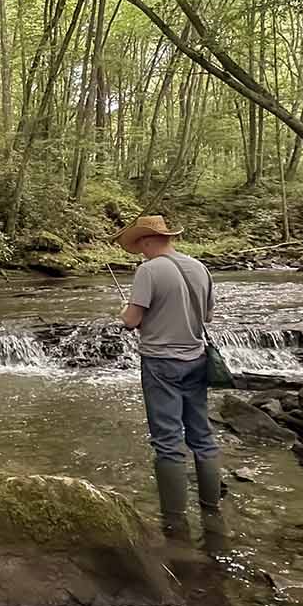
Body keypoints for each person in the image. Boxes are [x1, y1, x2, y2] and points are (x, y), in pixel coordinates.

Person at [114, 214, 221, 539]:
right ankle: (211, 510)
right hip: (197, 360)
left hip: (161, 364)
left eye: (140, 245)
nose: (140, 252)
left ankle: (174, 522)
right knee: (202, 436)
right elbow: (207, 316)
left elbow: (132, 320)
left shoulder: (148, 271)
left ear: (147, 240)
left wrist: (124, 310)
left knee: (168, 441)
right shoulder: (199, 268)